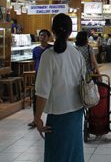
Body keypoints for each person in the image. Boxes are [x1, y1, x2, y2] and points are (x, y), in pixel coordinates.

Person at [34, 13, 86, 162]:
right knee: (74, 153)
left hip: (58, 116)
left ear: (53, 31)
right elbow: (84, 81)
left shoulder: (48, 56)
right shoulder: (77, 54)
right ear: (70, 32)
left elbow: (42, 92)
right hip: (77, 112)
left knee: (57, 155)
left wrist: (37, 118)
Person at [28, 29, 52, 128]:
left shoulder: (51, 49)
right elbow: (35, 62)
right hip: (38, 74)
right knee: (36, 96)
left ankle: (51, 117)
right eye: (41, 35)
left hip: (50, 74)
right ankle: (35, 119)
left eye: (44, 36)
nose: (42, 37)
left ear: (48, 37)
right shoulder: (35, 49)